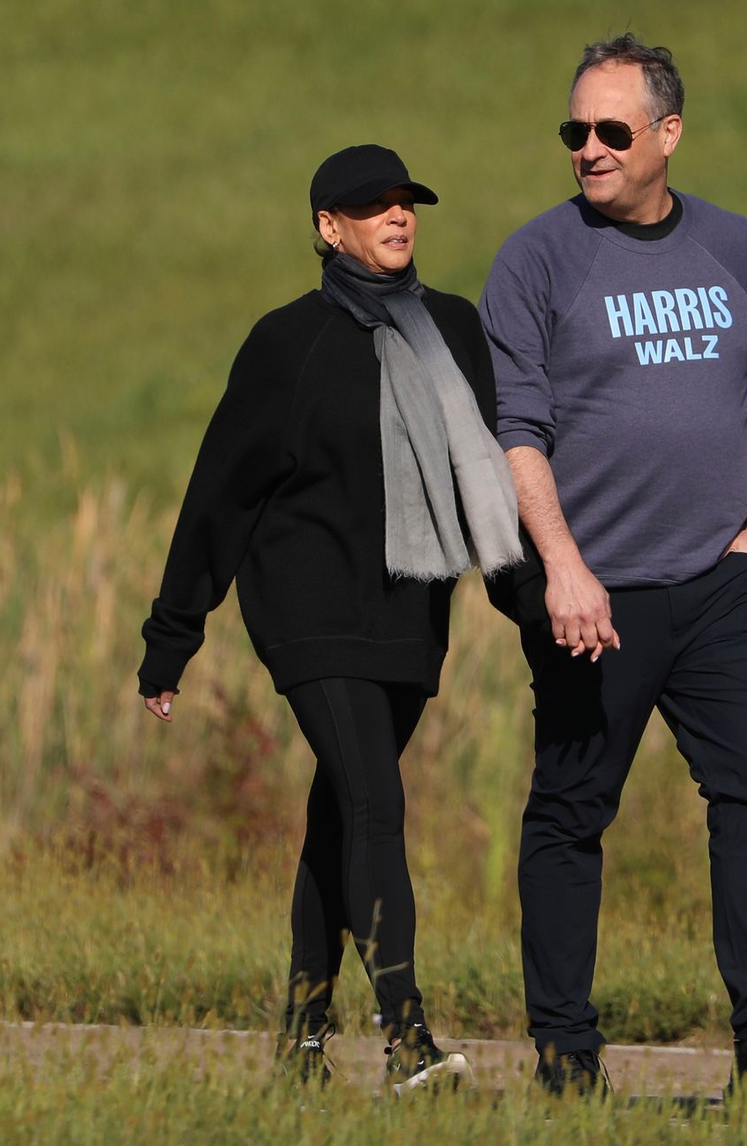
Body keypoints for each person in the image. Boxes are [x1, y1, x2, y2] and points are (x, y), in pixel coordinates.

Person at [480, 35, 747, 1106]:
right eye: (575, 130)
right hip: (592, 590)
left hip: (720, 587)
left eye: (613, 130)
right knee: (572, 812)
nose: (589, 149)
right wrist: (560, 566)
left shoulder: (738, 251)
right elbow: (514, 427)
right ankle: (568, 1061)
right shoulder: (535, 260)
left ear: (668, 135)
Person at [138, 144, 521, 1092]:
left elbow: (496, 486)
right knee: (375, 803)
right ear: (327, 226)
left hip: (408, 611)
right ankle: (408, 1038)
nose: (397, 217)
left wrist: (540, 606)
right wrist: (171, 635)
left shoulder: (455, 330)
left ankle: (302, 1043)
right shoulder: (286, 343)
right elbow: (219, 493)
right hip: (308, 610)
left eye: (407, 202)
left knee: (340, 817)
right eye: (373, 205)